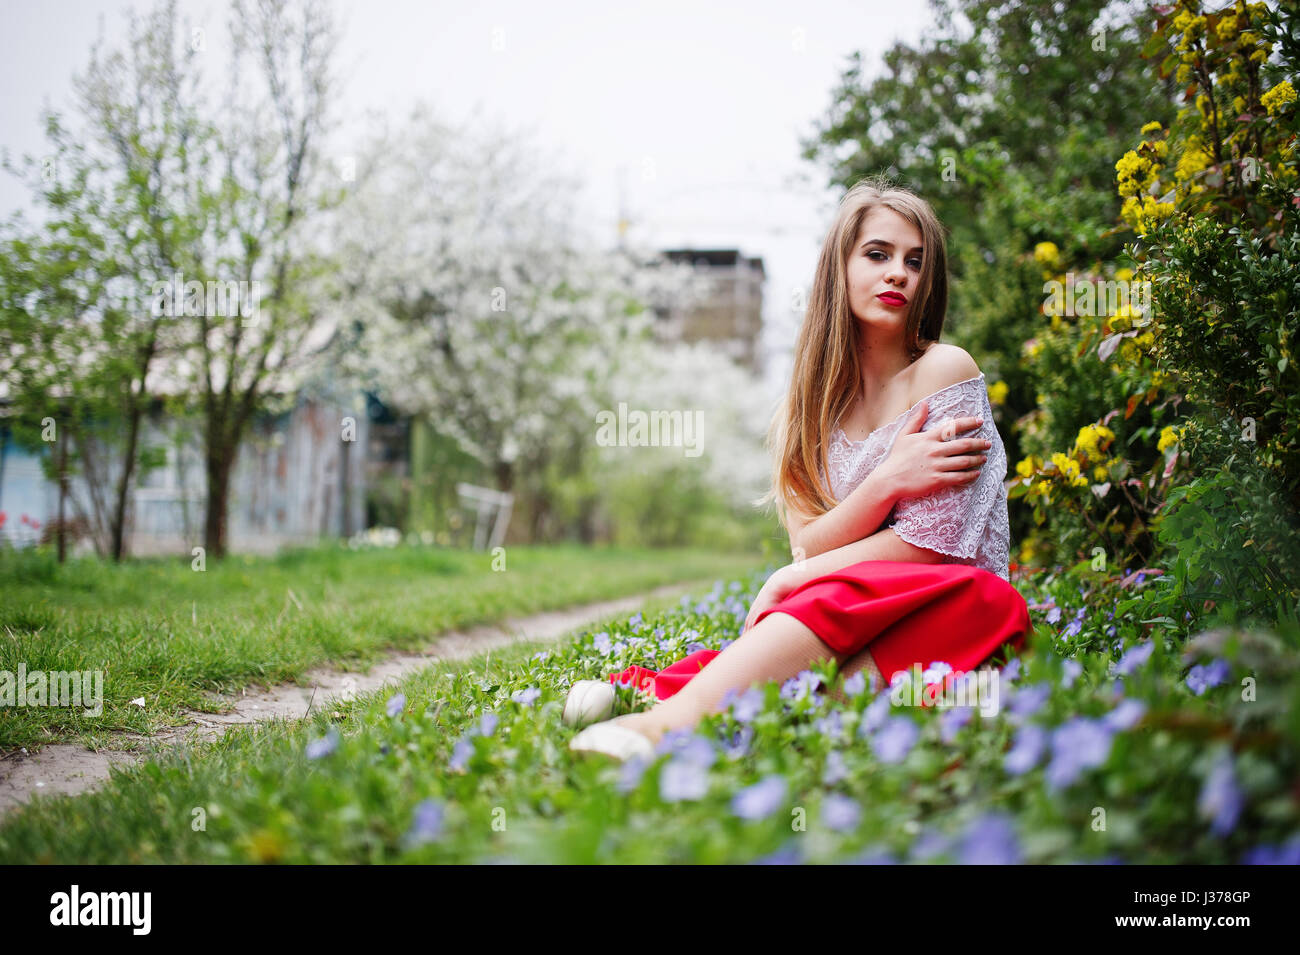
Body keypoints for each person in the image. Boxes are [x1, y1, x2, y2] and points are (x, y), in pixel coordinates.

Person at [568, 175, 1031, 761]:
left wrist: (795, 578)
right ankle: (686, 705)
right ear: (838, 267)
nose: (899, 274)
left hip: (955, 616)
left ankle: (658, 722)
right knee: (827, 609)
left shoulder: (944, 371)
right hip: (847, 617)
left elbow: (934, 548)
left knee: (916, 598)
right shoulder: (809, 409)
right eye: (878, 254)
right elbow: (808, 546)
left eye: (915, 262)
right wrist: (887, 480)